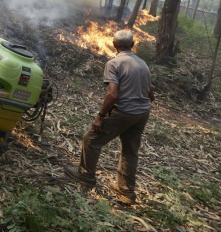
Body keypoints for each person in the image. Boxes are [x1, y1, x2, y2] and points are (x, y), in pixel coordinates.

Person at [65, 29, 155, 205]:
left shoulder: (114, 63)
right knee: (130, 150)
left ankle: (86, 175)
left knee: (91, 139)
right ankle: (126, 192)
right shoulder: (143, 64)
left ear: (114, 45)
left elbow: (113, 95)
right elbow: (151, 94)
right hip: (142, 112)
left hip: (125, 111)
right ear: (133, 45)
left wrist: (100, 116)